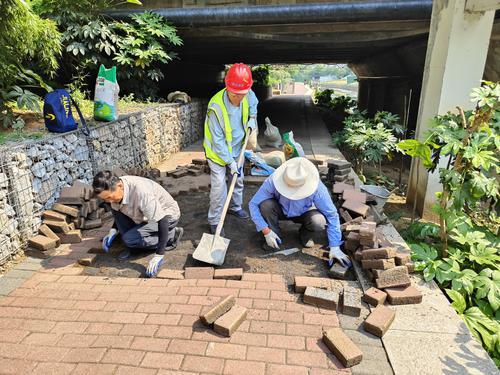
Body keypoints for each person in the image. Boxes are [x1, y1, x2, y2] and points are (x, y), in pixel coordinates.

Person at [248, 157, 351, 268]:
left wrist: (335, 246)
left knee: (319, 221)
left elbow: (332, 215)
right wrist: (266, 230)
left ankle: (305, 234)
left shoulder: (317, 188)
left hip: (305, 213)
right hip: (280, 209)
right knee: (265, 205)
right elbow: (253, 204)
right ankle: (274, 236)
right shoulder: (273, 180)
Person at [92, 171, 183, 277]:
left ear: (120, 186)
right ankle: (132, 246)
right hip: (145, 216)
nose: (108, 201)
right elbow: (117, 211)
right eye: (105, 199)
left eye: (109, 197)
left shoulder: (142, 193)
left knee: (129, 239)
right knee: (127, 235)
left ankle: (171, 236)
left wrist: (159, 255)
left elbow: (162, 221)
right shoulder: (115, 185)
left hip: (167, 217)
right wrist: (113, 230)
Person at [203, 63, 258, 236]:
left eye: (242, 94)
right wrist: (229, 163)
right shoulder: (216, 107)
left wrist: (253, 118)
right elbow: (218, 141)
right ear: (227, 87)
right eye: (236, 95)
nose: (239, 98)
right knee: (219, 186)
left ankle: (235, 207)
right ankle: (214, 221)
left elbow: (253, 104)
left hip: (237, 148)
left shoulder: (247, 93)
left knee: (238, 180)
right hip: (217, 152)